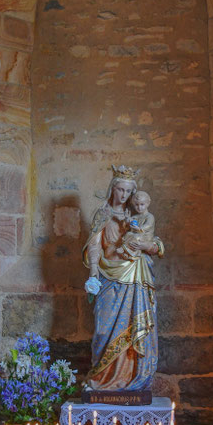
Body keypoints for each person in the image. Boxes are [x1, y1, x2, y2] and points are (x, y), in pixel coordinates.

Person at [82, 165, 164, 392]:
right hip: (109, 275)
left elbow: (154, 244)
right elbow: (95, 246)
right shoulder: (103, 214)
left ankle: (129, 379)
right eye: (120, 190)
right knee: (103, 330)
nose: (124, 196)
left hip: (136, 276)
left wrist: (146, 244)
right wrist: (93, 274)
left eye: (128, 192)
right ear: (112, 189)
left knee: (134, 326)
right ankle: (102, 378)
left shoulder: (137, 217)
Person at [117, 191, 156, 261]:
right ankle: (124, 249)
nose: (139, 207)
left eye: (142, 204)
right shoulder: (135, 217)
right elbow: (127, 227)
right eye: (136, 205)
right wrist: (127, 220)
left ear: (148, 203)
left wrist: (139, 228)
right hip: (136, 236)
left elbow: (148, 225)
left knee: (136, 237)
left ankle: (132, 254)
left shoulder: (149, 216)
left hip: (145, 237)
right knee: (129, 234)